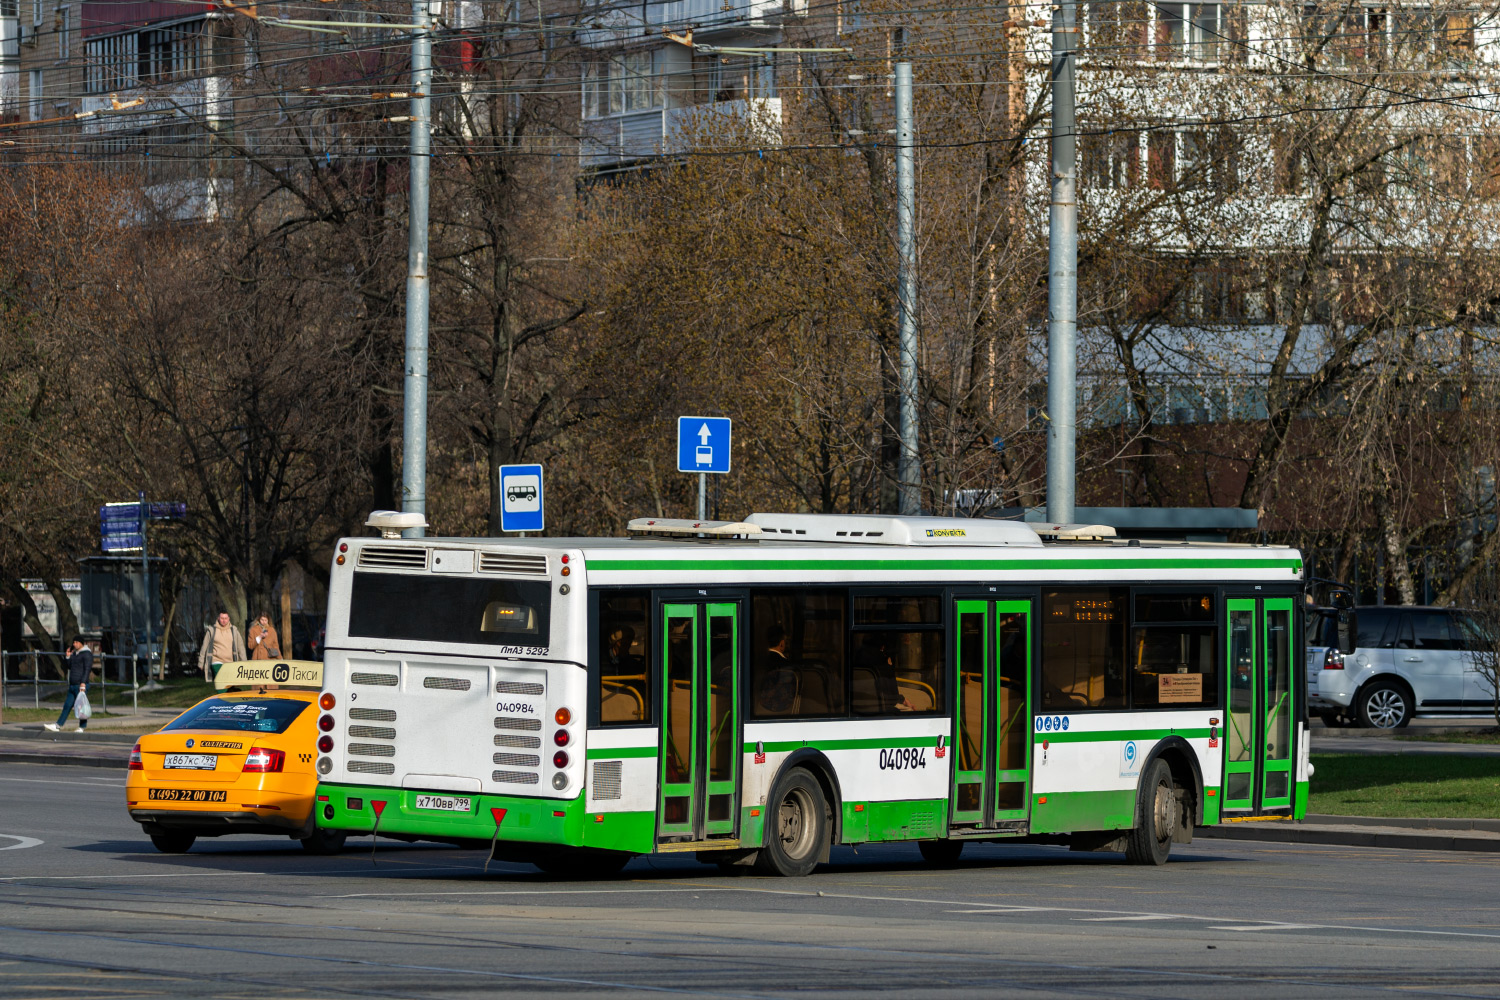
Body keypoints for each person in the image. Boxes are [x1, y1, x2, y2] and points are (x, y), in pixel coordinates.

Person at [44, 636, 94, 732]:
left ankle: (82, 727)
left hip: (81, 685)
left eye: (76, 642)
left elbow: (87, 670)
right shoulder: (75, 654)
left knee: (81, 707)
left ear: (81, 643)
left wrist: (83, 683)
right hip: (73, 684)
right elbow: (70, 667)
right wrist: (67, 657)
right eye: (73, 642)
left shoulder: (87, 654)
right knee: (67, 705)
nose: (74, 644)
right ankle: (58, 725)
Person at [198, 612, 246, 680]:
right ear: (218, 618)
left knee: (230, 684)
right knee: (221, 680)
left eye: (226, 618)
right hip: (216, 661)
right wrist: (201, 662)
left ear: (229, 619)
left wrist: (244, 662)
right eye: (222, 618)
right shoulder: (212, 630)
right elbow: (204, 647)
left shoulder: (234, 630)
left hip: (230, 662)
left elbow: (241, 648)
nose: (224, 620)